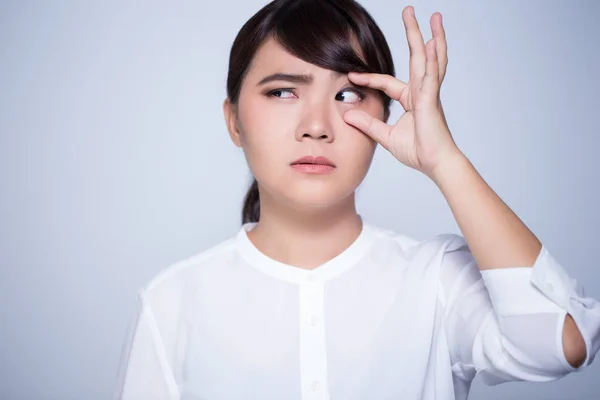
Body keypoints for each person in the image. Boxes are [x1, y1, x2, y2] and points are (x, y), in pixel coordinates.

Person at [113, 0, 600, 399]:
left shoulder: (436, 281)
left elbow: (561, 344)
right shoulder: (173, 302)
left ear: (387, 114)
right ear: (233, 121)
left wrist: (445, 160)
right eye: (283, 92)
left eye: (348, 95)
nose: (317, 125)